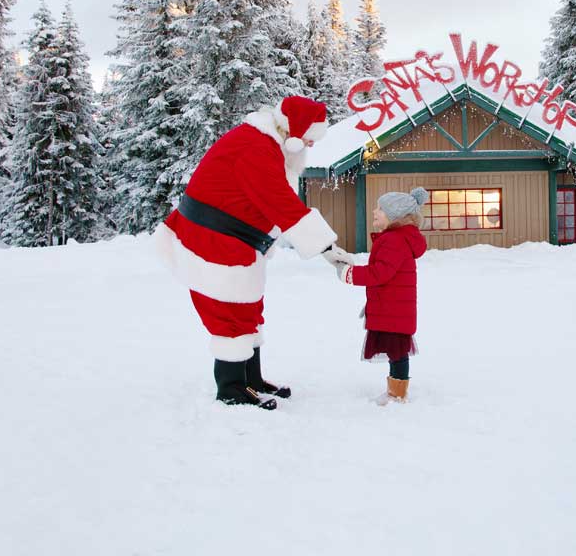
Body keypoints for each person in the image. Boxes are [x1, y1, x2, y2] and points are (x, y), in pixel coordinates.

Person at [153, 96, 351, 410]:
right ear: (294, 132)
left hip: (236, 241)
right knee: (229, 313)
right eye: (310, 138)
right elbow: (280, 202)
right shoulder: (255, 149)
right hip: (212, 241)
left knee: (248, 310)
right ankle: (231, 388)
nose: (311, 145)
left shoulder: (266, 144)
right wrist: (325, 247)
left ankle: (251, 380)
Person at [335, 187, 428, 404]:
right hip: (393, 306)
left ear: (394, 216)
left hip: (393, 308)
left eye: (380, 208)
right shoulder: (397, 239)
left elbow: (379, 273)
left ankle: (397, 393)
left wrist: (349, 274)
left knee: (397, 352)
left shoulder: (394, 240)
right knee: (396, 351)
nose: (374, 211)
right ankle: (396, 390)